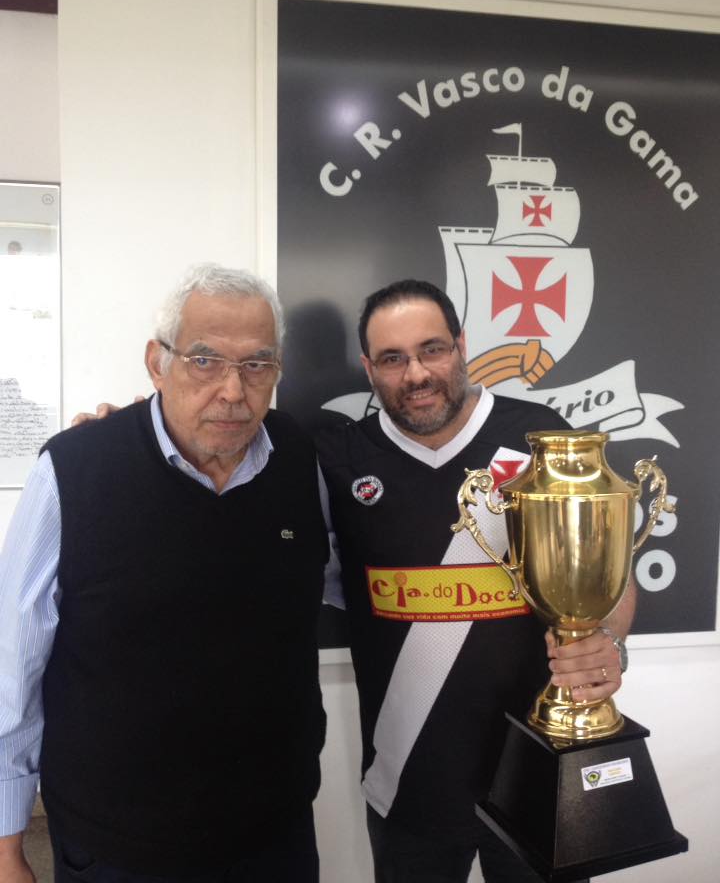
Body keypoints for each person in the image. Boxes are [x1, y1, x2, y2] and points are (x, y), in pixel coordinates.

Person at [0, 263, 328, 883]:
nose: (232, 390)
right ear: (158, 362)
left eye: (257, 364)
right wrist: (5, 846)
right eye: (204, 361)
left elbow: (330, 579)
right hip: (118, 848)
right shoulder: (74, 471)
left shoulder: (297, 457)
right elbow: (12, 666)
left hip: (275, 836)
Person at [315, 279, 634, 883]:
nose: (416, 374)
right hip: (407, 783)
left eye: (432, 349)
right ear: (368, 368)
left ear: (461, 346)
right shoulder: (339, 458)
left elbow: (609, 576)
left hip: (538, 769)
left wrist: (607, 643)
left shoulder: (539, 437)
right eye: (392, 358)